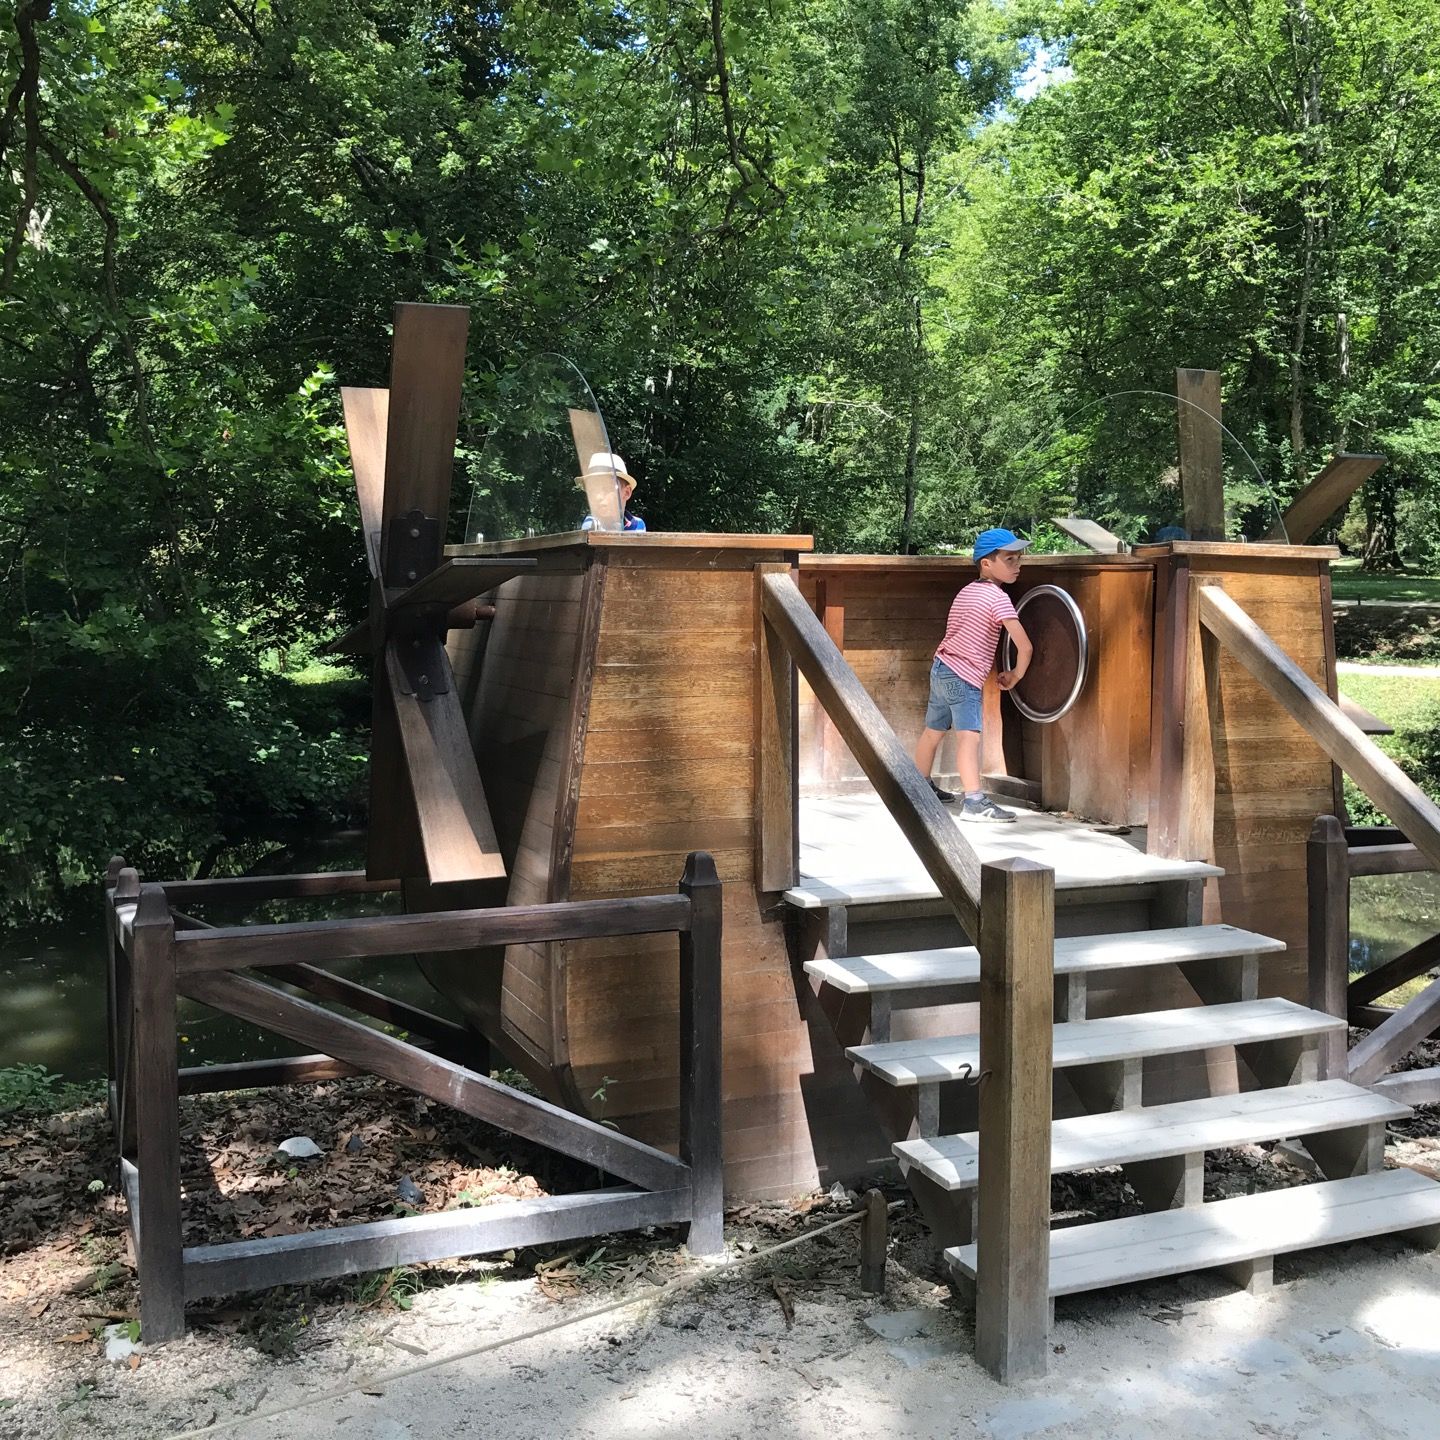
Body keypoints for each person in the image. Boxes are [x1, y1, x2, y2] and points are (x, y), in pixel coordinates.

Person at [914, 527, 1034, 823]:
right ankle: (974, 802)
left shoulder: (965, 592)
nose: (1017, 566)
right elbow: (1026, 646)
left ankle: (918, 787)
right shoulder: (999, 599)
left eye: (1018, 560)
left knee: (933, 731)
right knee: (970, 738)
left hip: (941, 668)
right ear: (986, 563)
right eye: (1009, 559)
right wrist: (1015, 675)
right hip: (965, 676)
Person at [579, 451, 647, 532]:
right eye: (593, 490)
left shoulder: (638, 525)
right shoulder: (590, 527)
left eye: (607, 489)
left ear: (627, 493)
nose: (598, 496)